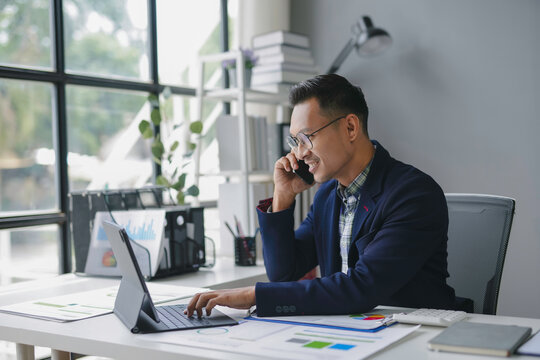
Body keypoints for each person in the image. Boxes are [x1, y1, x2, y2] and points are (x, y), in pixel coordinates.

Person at [186, 74, 456, 318]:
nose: (300, 152)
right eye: (295, 142)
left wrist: (254, 294)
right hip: (353, 331)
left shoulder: (413, 194)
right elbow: (284, 273)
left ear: (350, 127)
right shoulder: (328, 194)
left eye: (306, 137)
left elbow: (361, 288)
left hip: (414, 336)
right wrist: (283, 195)